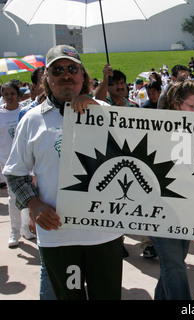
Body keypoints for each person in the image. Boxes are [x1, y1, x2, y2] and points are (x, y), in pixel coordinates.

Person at [3, 45, 123, 300]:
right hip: (59, 237)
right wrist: (33, 204)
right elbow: (15, 173)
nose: (65, 75)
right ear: (46, 78)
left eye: (72, 69)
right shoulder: (32, 119)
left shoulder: (108, 112)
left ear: (83, 76)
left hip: (105, 234)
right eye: (57, 70)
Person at [152, 79, 194, 299]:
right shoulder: (155, 127)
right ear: (176, 104)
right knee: (174, 266)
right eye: (191, 106)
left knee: (172, 265)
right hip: (161, 208)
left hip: (186, 208)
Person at [0, 81, 35, 247]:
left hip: (27, 161)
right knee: (13, 197)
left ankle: (25, 228)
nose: (9, 97)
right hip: (7, 162)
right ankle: (14, 231)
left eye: (12, 94)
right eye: (6, 94)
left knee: (30, 196)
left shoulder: (26, 112)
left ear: (18, 95)